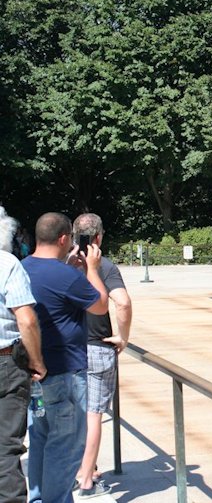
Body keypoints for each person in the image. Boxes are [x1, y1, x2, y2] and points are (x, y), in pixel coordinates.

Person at [22, 212, 109, 503]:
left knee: (40, 442)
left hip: (33, 374)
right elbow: (99, 306)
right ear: (63, 239)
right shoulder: (67, 275)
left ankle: (36, 498)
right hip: (66, 374)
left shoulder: (21, 268)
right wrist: (92, 269)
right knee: (66, 447)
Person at [73, 213, 132, 499]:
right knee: (94, 413)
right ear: (99, 237)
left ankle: (79, 469)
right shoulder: (105, 266)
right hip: (97, 345)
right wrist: (123, 336)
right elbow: (122, 302)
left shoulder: (64, 263)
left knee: (75, 412)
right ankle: (87, 478)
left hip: (68, 348)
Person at [0, 208, 46, 503]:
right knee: (5, 448)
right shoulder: (7, 264)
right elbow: (26, 320)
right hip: (6, 362)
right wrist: (37, 361)